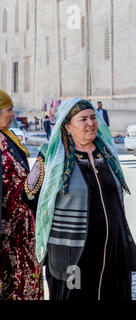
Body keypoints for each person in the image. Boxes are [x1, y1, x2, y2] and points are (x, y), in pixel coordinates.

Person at [24, 98, 136, 300]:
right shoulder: (52, 156)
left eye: (93, 118)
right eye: (83, 119)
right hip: (72, 250)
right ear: (67, 125)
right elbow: (29, 196)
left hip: (112, 248)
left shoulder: (106, 151)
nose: (90, 123)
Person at [0, 89, 43, 300]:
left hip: (24, 234)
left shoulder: (9, 139)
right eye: (9, 110)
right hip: (5, 238)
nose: (13, 114)